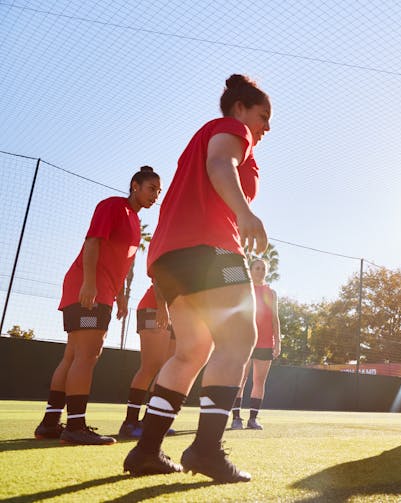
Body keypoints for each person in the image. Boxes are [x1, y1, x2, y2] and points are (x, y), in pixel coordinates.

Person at [123, 74, 270, 482]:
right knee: (239, 339)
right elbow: (219, 163)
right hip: (211, 249)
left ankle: (146, 451)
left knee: (192, 350)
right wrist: (244, 214)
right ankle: (206, 450)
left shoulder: (226, 138)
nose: (267, 126)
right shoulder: (230, 128)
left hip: (171, 257)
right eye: (264, 115)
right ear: (240, 108)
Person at [34, 166, 161, 445]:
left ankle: (50, 423)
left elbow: (123, 262)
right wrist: (89, 284)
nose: (155, 195)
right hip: (87, 288)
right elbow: (92, 242)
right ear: (135, 186)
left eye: (158, 191)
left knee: (73, 355)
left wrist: (122, 294)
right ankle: (76, 427)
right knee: (88, 355)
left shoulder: (135, 222)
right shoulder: (112, 206)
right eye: (151, 188)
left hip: (103, 291)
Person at [118, 285, 176, 438]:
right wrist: (162, 306)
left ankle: (149, 421)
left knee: (166, 369)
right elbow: (159, 276)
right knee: (151, 366)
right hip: (155, 307)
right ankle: (129, 423)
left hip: (177, 315)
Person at [230, 259, 281, 430]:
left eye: (263, 268)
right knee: (241, 379)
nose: (260, 271)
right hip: (245, 341)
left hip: (266, 343)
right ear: (250, 270)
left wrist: (277, 343)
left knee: (259, 381)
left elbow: (275, 319)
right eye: (257, 268)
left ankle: (253, 419)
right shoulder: (244, 289)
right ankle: (236, 418)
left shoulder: (271, 293)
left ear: (266, 271)